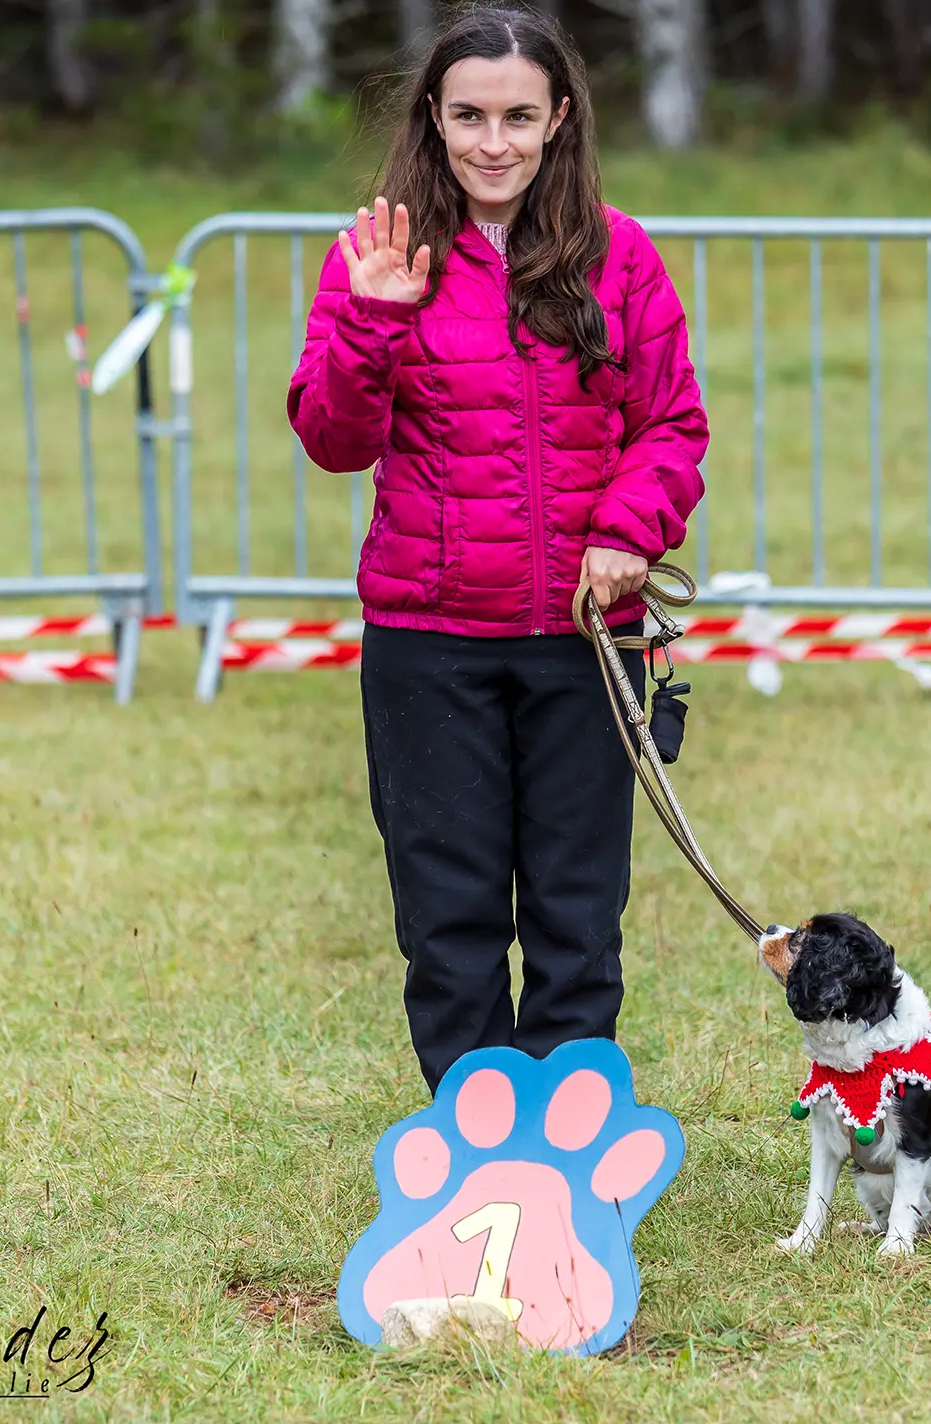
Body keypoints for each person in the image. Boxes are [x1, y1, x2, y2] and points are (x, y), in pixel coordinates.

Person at [287, 9, 707, 1093]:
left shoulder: (620, 256)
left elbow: (671, 426)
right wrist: (374, 320)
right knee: (449, 914)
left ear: (558, 118)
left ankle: (571, 1151)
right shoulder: (376, 257)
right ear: (431, 118)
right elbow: (333, 439)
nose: (492, 142)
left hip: (581, 643)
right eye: (467, 115)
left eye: (518, 116)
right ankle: (474, 1151)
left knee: (576, 914)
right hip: (430, 645)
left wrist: (625, 529)